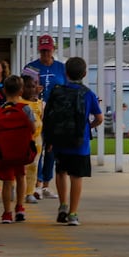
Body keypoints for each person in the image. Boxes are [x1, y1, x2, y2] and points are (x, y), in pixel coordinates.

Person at [45, 57, 103, 226]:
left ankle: (62, 204)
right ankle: (73, 213)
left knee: (61, 172)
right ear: (85, 74)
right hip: (80, 142)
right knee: (76, 177)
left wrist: (50, 139)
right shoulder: (88, 94)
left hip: (59, 140)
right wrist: (89, 126)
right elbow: (99, 118)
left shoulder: (56, 91)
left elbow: (49, 116)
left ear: (65, 73)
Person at [25, 34, 65, 201]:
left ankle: (47, 183)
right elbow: (24, 90)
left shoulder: (61, 68)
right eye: (42, 51)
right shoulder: (31, 68)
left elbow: (67, 87)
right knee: (37, 148)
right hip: (37, 112)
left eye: (48, 51)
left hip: (55, 113)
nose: (45, 54)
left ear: (53, 49)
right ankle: (37, 183)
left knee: (51, 149)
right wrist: (35, 91)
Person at [0, 76, 35, 223]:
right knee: (20, 178)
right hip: (20, 151)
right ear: (21, 91)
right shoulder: (25, 109)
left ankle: (6, 213)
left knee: (7, 182)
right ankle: (20, 208)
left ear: (4, 90)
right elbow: (33, 128)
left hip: (4, 152)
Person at [21, 75, 44, 204]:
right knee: (19, 167)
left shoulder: (39, 103)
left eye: (33, 86)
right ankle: (16, 187)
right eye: (27, 87)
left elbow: (42, 119)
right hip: (21, 140)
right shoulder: (18, 103)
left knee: (33, 167)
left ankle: (29, 192)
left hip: (36, 141)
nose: (31, 89)